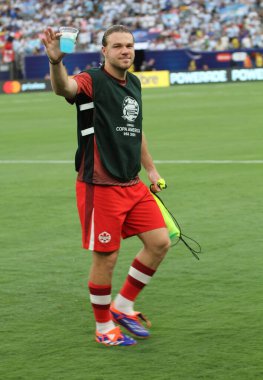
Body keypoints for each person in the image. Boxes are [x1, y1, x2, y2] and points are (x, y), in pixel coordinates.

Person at [41, 25, 170, 347]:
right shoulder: (92, 80)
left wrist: (151, 169)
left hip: (132, 182)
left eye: (129, 46)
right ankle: (103, 329)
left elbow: (135, 130)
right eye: (118, 46)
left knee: (159, 243)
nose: (125, 51)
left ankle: (123, 306)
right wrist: (56, 63)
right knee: (107, 258)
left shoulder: (135, 83)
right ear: (104, 51)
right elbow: (64, 89)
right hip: (100, 185)